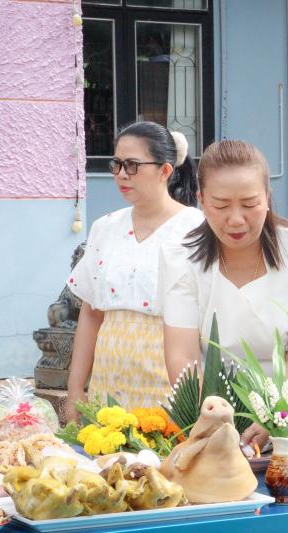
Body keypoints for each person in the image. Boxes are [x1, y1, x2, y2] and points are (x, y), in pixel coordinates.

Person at [158, 139, 288, 451]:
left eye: (249, 204)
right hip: (211, 419)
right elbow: (183, 357)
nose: (236, 219)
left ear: (267, 197)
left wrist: (274, 413)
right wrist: (212, 422)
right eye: (220, 205)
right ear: (201, 201)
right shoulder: (181, 259)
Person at [65, 122, 204, 420]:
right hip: (108, 381)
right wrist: (75, 389)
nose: (121, 174)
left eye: (132, 165)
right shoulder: (105, 227)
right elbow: (91, 313)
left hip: (168, 376)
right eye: (116, 164)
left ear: (165, 170)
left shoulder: (195, 229)